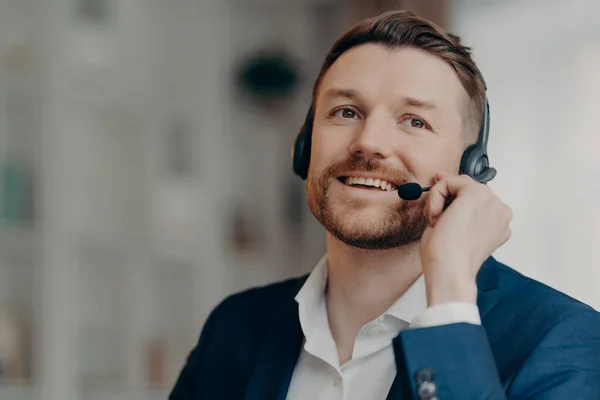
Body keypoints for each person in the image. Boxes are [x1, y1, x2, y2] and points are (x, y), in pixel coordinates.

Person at [169, 10, 600, 400]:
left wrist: (449, 296)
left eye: (415, 121)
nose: (369, 142)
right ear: (305, 147)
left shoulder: (561, 339)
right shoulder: (235, 327)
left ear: (470, 168)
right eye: (345, 112)